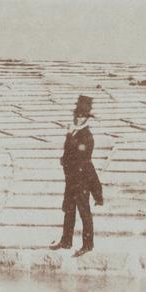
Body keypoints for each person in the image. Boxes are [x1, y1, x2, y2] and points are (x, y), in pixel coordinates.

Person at [50, 94, 103, 257]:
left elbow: (81, 157)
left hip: (82, 180)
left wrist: (96, 191)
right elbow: (68, 153)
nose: (78, 118)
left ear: (86, 118)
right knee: (69, 210)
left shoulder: (86, 136)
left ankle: (88, 244)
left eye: (82, 116)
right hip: (71, 179)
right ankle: (66, 241)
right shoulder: (74, 132)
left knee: (84, 212)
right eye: (77, 115)